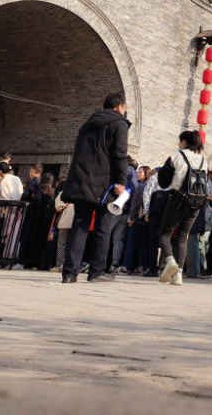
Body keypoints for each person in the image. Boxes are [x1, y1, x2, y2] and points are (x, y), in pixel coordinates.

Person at [60, 92, 131, 284]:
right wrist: (121, 181)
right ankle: (97, 271)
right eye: (124, 108)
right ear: (119, 107)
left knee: (79, 226)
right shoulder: (119, 123)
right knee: (103, 228)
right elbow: (119, 154)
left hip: (82, 181)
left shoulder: (87, 124)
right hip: (103, 185)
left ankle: (69, 273)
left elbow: (78, 153)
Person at [156, 130, 209, 287]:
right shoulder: (203, 160)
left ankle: (170, 261)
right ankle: (178, 274)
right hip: (196, 203)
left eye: (180, 141)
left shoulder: (177, 155)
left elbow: (163, 181)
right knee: (182, 237)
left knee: (165, 234)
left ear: (184, 142)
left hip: (178, 199)